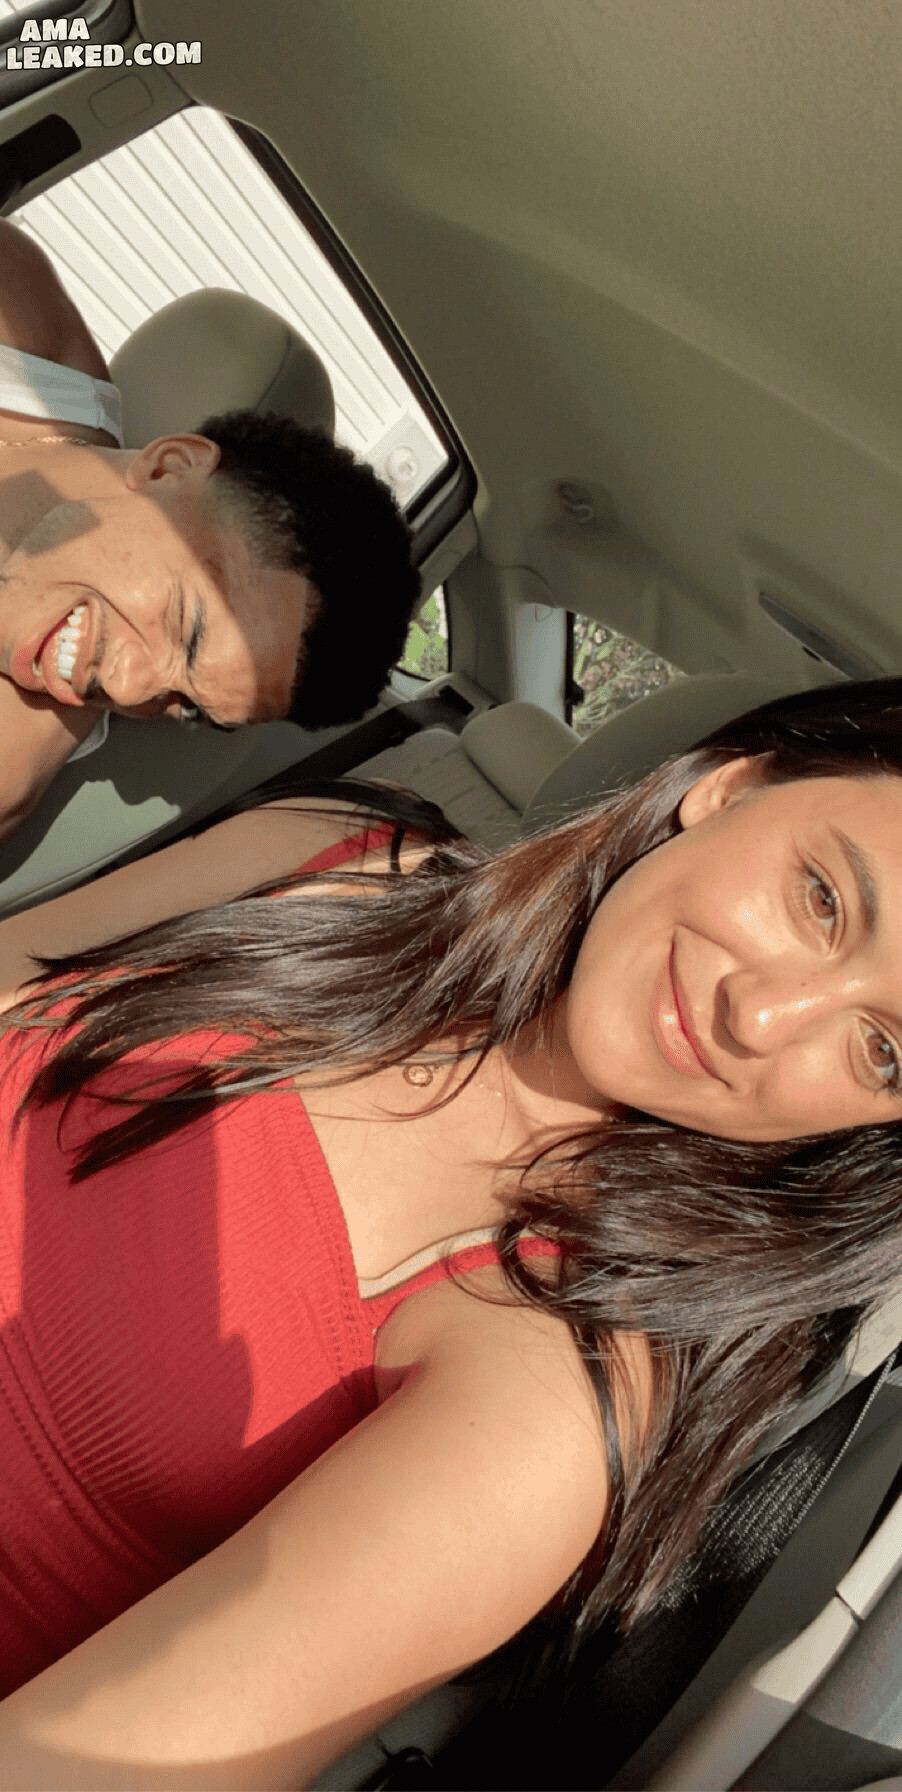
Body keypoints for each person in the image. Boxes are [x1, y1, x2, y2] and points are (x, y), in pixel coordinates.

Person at [0, 676, 901, 1788]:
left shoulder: (557, 1379)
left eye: (881, 1050)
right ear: (731, 786)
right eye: (822, 899)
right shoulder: (334, 855)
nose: (761, 1018)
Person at [0, 217, 421, 839]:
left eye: (185, 706)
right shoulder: (19, 323)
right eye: (185, 624)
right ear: (171, 466)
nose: (123, 687)